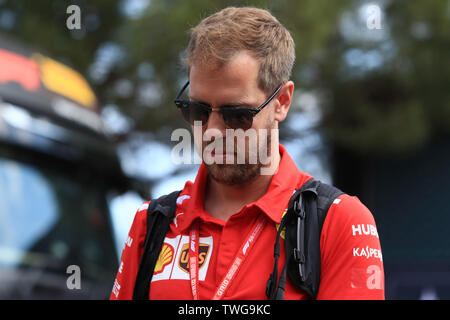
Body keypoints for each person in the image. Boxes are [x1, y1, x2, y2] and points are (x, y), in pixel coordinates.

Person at [110, 6, 384, 300]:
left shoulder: (339, 222)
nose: (212, 131)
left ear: (282, 101)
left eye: (236, 114)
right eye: (198, 110)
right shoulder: (150, 223)